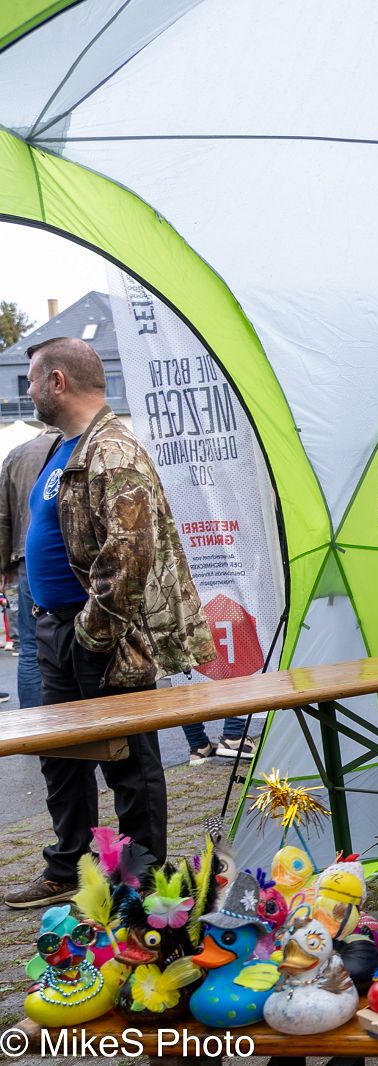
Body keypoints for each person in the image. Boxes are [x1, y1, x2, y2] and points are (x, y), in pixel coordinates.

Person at [4, 337, 216, 908]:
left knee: (130, 763)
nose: (27, 390)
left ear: (57, 382)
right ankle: (70, 866)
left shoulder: (114, 451)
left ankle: (142, 881)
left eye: (32, 379)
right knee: (61, 756)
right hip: (55, 629)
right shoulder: (61, 447)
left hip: (101, 637)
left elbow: (128, 558)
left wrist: (90, 638)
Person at [0, 423, 62, 709]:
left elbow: (3, 516)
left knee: (29, 646)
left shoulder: (17, 454)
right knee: (78, 642)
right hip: (69, 557)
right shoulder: (75, 447)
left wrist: (5, 567)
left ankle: (34, 721)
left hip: (27, 557)